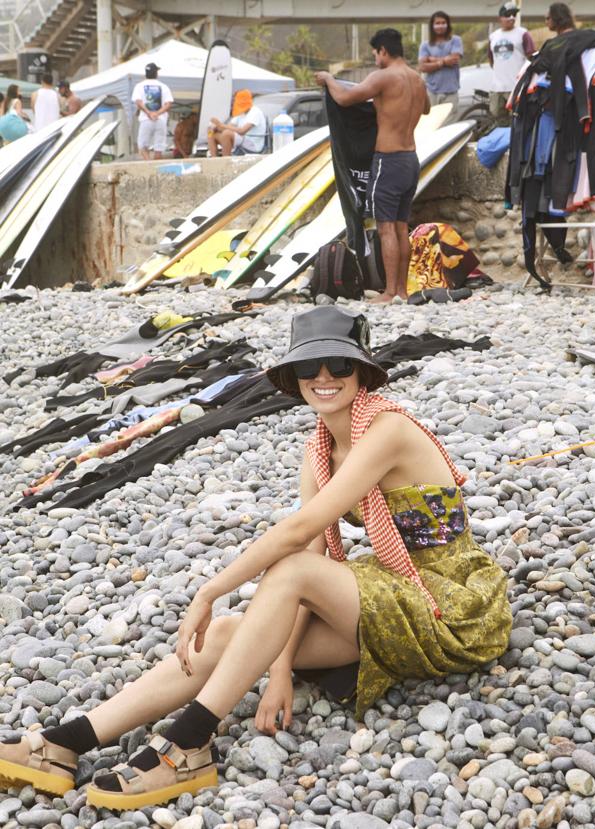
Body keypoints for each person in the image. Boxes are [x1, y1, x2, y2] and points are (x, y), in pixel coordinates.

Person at [0, 305, 512, 810]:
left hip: (450, 603)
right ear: (293, 376)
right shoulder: (319, 449)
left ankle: (189, 744)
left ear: (363, 372)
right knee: (225, 634)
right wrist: (280, 670)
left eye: (339, 365)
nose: (324, 378)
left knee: (287, 571)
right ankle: (65, 744)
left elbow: (300, 535)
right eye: (309, 367)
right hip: (392, 594)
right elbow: (312, 554)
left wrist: (211, 588)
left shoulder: (388, 430)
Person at [316, 29, 429, 304]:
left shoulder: (383, 76)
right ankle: (402, 290)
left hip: (388, 161)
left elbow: (344, 98)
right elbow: (425, 108)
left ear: (383, 51)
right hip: (410, 159)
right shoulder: (417, 79)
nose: (375, 58)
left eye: (375, 53)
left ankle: (390, 292)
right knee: (401, 227)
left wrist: (329, 79)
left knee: (386, 228)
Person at [488, 4, 536, 126]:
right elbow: (491, 59)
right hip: (497, 88)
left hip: (516, 87)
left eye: (513, 15)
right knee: (498, 119)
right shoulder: (493, 36)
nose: (511, 18)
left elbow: (532, 56)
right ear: (500, 18)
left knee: (517, 121)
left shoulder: (523, 33)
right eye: (507, 15)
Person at [418, 11, 463, 124]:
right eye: (437, 23)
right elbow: (422, 67)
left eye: (443, 22)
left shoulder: (455, 40)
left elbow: (454, 60)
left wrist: (432, 59)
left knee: (448, 127)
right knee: (431, 124)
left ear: (448, 24)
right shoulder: (425, 45)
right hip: (431, 92)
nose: (440, 25)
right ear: (432, 26)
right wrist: (443, 62)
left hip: (450, 91)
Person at [132, 63, 174, 160]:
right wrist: (157, 113)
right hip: (161, 120)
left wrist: (148, 113)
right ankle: (156, 167)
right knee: (159, 147)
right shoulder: (164, 86)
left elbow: (138, 102)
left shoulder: (139, 86)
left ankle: (148, 164)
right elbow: (168, 104)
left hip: (146, 120)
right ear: (156, 74)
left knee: (142, 146)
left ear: (145, 74)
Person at [207, 89, 266, 157]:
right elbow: (228, 126)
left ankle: (225, 160)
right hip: (241, 140)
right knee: (211, 132)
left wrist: (221, 125)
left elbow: (242, 131)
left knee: (227, 134)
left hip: (253, 143)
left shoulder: (255, 112)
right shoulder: (241, 112)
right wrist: (216, 127)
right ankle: (214, 159)